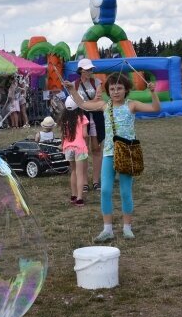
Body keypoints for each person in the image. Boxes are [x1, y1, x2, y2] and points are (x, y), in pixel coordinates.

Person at [65, 72, 160, 242]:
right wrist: (73, 90)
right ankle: (107, 229)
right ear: (108, 91)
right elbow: (82, 104)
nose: (116, 92)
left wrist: (153, 92)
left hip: (126, 154)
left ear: (126, 90)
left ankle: (127, 228)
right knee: (106, 190)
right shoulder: (104, 106)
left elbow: (155, 108)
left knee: (125, 191)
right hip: (109, 154)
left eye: (120, 88)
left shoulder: (132, 105)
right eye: (112, 88)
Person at [74, 58, 105, 194]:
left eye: (91, 69)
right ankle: (85, 182)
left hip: (96, 118)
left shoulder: (97, 82)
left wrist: (84, 103)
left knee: (96, 148)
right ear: (81, 70)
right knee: (83, 150)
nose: (90, 71)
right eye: (87, 69)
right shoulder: (75, 84)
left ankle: (96, 181)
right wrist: (89, 103)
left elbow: (98, 100)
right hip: (81, 119)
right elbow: (75, 102)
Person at [59, 96, 89, 207]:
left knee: (73, 171)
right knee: (80, 173)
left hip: (68, 148)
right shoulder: (82, 118)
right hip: (79, 148)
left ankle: (73, 195)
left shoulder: (64, 119)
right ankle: (80, 198)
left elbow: (63, 136)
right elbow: (85, 135)